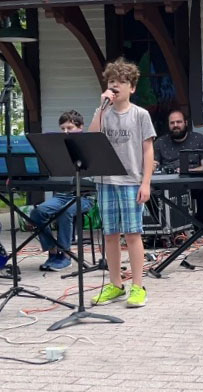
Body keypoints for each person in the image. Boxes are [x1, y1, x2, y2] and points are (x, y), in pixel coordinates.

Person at [88, 57, 156, 308]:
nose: (114, 86)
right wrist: (101, 108)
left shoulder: (140, 115)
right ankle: (115, 284)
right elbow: (92, 138)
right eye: (111, 81)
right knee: (110, 235)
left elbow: (148, 150)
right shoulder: (102, 112)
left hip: (130, 181)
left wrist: (145, 183)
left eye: (121, 82)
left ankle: (138, 286)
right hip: (106, 180)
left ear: (132, 87)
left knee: (133, 234)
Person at [30, 110, 94, 271]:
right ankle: (52, 250)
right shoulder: (59, 147)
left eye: (69, 128)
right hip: (63, 194)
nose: (65, 132)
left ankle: (66, 255)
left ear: (80, 127)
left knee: (65, 212)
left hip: (85, 196)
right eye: (63, 128)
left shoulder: (89, 146)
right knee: (37, 213)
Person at [153, 110, 203, 230]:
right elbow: (153, 165)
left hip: (194, 181)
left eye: (179, 122)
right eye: (172, 123)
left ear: (186, 123)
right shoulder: (160, 143)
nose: (175, 125)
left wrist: (188, 171)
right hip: (168, 184)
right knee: (149, 191)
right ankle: (162, 228)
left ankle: (200, 227)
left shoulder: (199, 139)